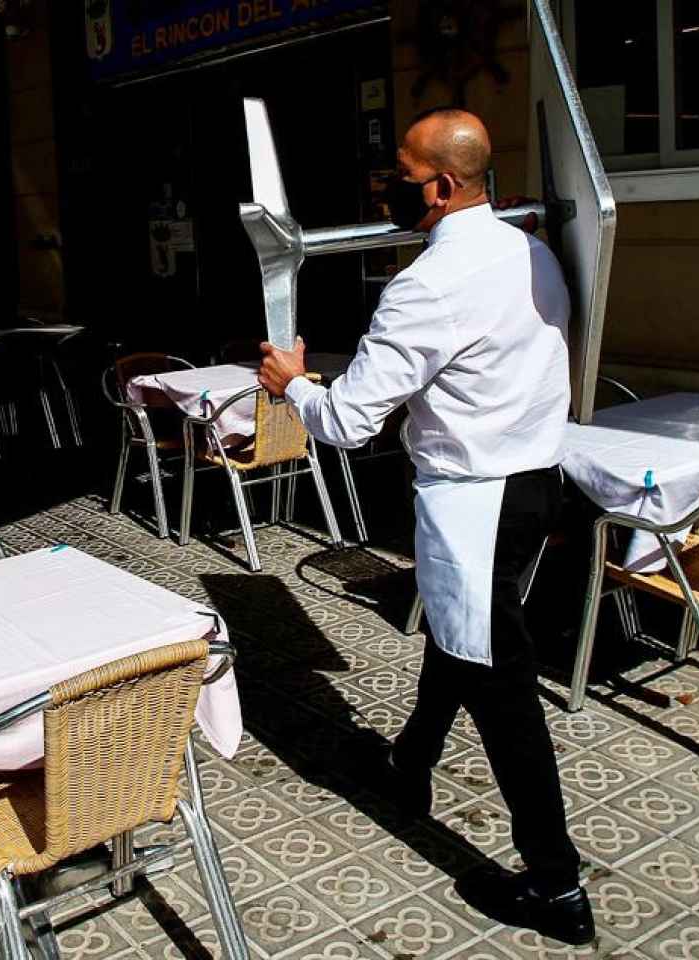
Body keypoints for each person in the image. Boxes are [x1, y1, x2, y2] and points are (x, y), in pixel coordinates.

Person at [256, 107, 592, 945]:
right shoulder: (532, 250)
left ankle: (556, 885)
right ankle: (410, 766)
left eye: (400, 179)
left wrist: (292, 383)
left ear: (440, 188)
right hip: (534, 484)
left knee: (500, 688)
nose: (388, 190)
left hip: (475, 502)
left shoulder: (426, 284)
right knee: (460, 638)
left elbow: (347, 424)